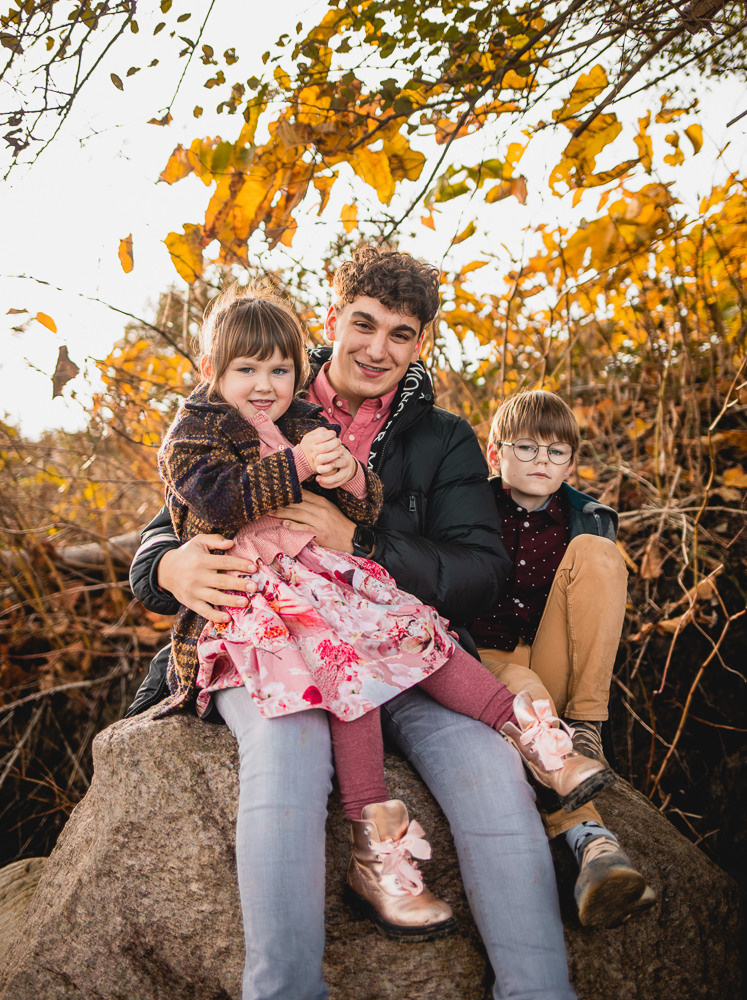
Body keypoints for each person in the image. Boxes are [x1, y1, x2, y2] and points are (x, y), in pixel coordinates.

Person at [129, 245, 580, 1000]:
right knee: (287, 745)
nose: (376, 348)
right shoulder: (254, 391)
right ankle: (284, 990)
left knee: (489, 767)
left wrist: (363, 542)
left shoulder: (443, 440)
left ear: (421, 342)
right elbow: (175, 512)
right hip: (269, 638)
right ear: (330, 320)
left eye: (400, 334)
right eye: (362, 324)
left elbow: (480, 570)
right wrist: (165, 569)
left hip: (395, 647)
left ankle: (538, 989)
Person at [471, 389, 657, 928]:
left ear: (572, 463)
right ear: (495, 454)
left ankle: (586, 726)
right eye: (525, 448)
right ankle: (594, 847)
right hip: (482, 655)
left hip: (549, 654)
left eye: (556, 453)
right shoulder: (466, 506)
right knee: (527, 689)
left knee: (598, 555)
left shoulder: (585, 520)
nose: (540, 462)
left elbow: (586, 609)